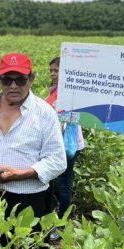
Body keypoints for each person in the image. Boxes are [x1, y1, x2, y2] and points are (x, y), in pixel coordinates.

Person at [0, 53, 66, 249]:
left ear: (31, 79)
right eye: (7, 79)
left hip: (29, 200)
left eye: (20, 79)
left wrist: (20, 174)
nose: (13, 85)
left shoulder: (45, 113)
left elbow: (57, 160)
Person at [46, 57, 85, 217]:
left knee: (63, 183)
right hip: (56, 143)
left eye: (56, 71)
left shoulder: (71, 93)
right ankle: (55, 210)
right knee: (54, 182)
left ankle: (63, 219)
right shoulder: (55, 90)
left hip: (69, 145)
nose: (53, 74)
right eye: (51, 70)